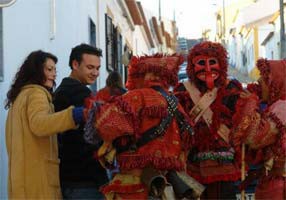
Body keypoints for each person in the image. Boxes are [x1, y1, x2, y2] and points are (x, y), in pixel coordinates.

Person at [84, 54, 202, 199]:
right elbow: (188, 139)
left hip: (135, 184)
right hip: (168, 186)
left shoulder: (134, 97)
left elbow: (107, 127)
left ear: (139, 75)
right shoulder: (176, 103)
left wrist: (95, 110)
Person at [5, 50, 84, 199]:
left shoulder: (19, 98)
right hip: (39, 183)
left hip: (22, 183)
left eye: (55, 70)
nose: (54, 74)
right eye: (49, 69)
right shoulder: (37, 94)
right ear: (36, 70)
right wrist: (73, 115)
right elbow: (40, 124)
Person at [174, 41, 243, 199]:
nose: (207, 69)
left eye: (212, 62)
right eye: (201, 63)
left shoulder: (232, 89)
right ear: (192, 65)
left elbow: (242, 121)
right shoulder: (182, 91)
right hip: (193, 164)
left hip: (224, 165)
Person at [53, 43, 108, 199]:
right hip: (84, 179)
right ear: (75, 64)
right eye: (90, 67)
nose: (95, 73)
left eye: (98, 68)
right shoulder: (78, 92)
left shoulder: (63, 90)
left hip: (70, 178)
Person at [232, 58, 286, 199]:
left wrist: (251, 103)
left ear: (275, 83)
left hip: (280, 187)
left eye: (264, 80)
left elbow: (254, 138)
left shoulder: (282, 108)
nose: (259, 83)